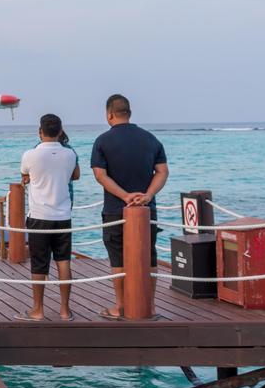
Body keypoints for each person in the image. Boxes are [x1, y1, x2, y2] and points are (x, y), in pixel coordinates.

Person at [91, 94, 168, 319]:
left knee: (118, 258)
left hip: (116, 209)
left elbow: (100, 175)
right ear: (130, 113)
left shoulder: (102, 141)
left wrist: (125, 196)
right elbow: (162, 172)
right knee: (149, 257)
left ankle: (121, 305)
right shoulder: (151, 139)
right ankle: (150, 306)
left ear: (109, 115)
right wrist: (147, 195)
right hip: (147, 209)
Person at [19, 114, 80, 321]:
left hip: (38, 216)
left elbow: (25, 175)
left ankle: (38, 309)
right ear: (61, 131)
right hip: (63, 215)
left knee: (39, 263)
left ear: (40, 131)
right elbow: (76, 175)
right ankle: (64, 310)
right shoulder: (70, 154)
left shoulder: (30, 154)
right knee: (63, 261)